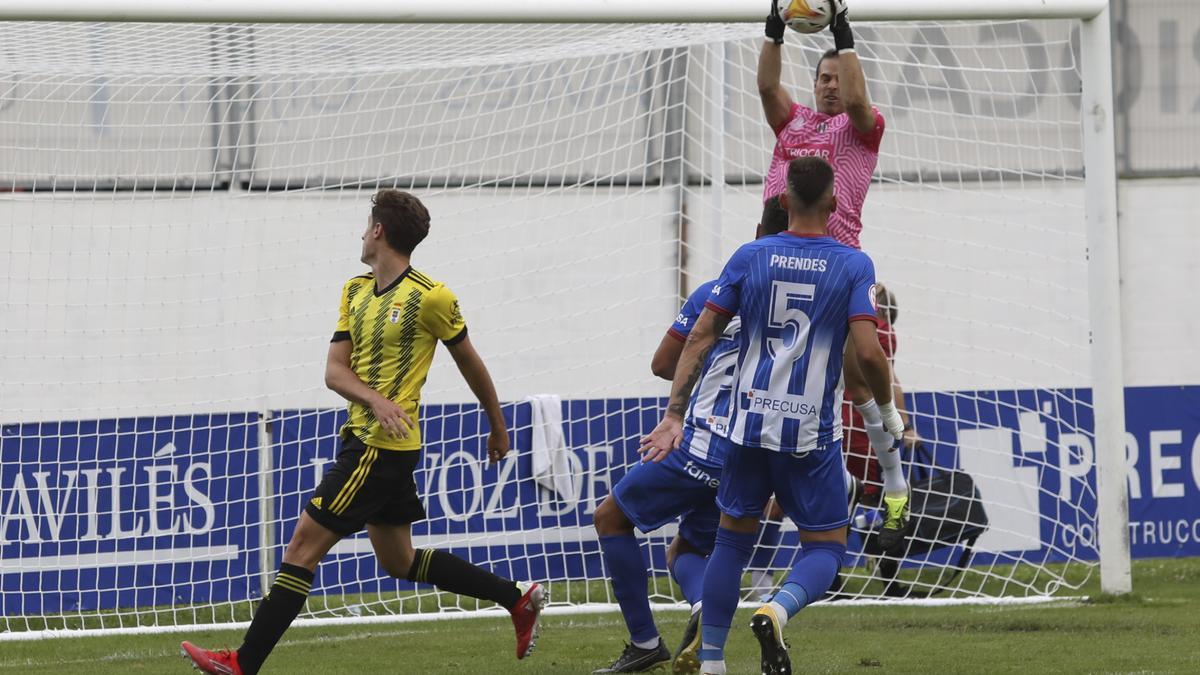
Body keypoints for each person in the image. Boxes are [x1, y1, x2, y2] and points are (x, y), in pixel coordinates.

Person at [181, 190, 546, 675]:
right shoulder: (354, 289)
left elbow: (470, 364)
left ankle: (243, 663)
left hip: (380, 450)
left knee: (301, 548)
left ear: (378, 231)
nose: (360, 232)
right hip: (364, 436)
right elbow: (335, 372)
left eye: (365, 224)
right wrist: (374, 398)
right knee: (399, 561)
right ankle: (516, 597)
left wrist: (497, 425)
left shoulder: (430, 296)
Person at [640, 157, 903, 675]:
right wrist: (890, 413)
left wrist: (674, 414)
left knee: (730, 544)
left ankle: (712, 663)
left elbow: (702, 335)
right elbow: (869, 356)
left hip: (747, 428)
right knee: (827, 545)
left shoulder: (749, 256)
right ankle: (776, 609)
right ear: (834, 203)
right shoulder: (854, 265)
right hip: (809, 433)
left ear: (783, 201)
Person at [591, 197, 790, 674]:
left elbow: (663, 363)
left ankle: (644, 642)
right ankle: (703, 607)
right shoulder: (807, 301)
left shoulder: (719, 290)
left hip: (701, 441)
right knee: (687, 549)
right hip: (754, 453)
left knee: (611, 519)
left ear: (759, 226)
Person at [760, 0, 910, 549]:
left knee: (859, 376)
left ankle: (893, 485)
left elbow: (855, 99)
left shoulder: (861, 128)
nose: (828, 87)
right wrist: (774, 30)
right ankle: (844, 485)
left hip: (836, 262)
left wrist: (843, 33)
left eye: (835, 78)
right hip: (774, 264)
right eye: (820, 77)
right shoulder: (792, 122)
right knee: (777, 388)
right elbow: (767, 89)